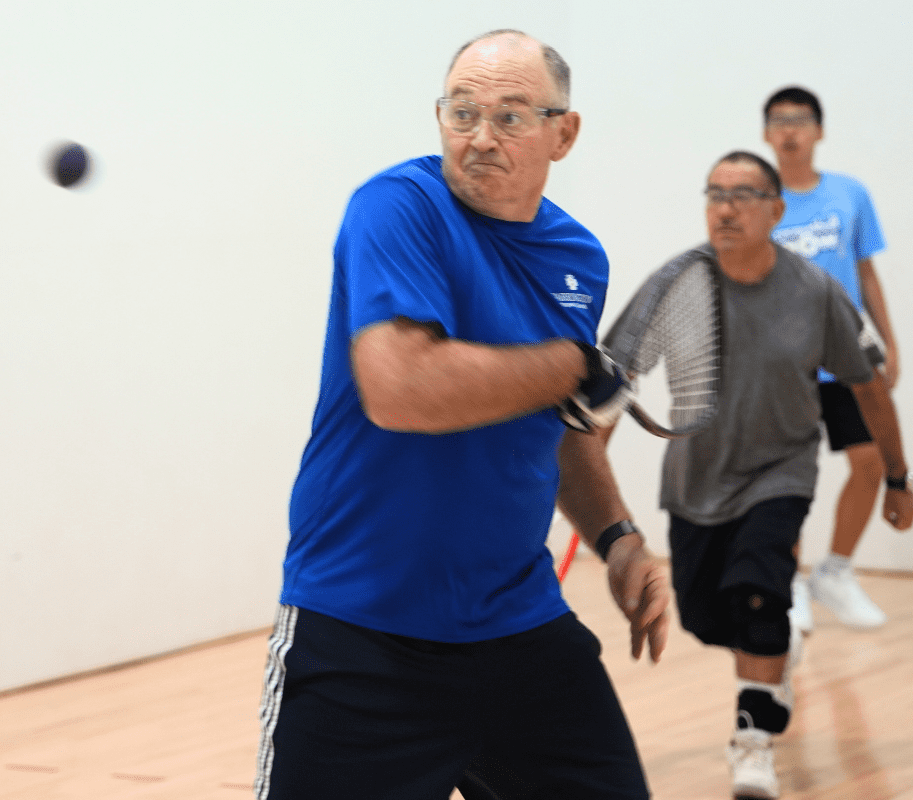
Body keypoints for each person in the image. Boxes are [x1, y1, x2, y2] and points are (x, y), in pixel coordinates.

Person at [254, 30, 670, 800]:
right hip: (364, 636)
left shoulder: (579, 259)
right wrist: (573, 366)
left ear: (563, 134)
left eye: (510, 117)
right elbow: (402, 388)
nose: (480, 138)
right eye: (462, 112)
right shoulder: (397, 208)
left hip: (520, 629)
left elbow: (554, 428)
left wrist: (618, 538)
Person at [604, 152, 913, 799]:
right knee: (705, 618)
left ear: (776, 210)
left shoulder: (814, 291)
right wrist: (578, 476)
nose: (725, 208)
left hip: (781, 473)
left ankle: (753, 744)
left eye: (742, 195)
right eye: (715, 194)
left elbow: (868, 387)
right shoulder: (676, 282)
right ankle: (773, 654)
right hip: (696, 481)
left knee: (759, 592)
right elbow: (612, 381)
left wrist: (896, 475)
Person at [762, 85, 910, 632]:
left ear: (819, 130)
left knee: (870, 463)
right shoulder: (758, 199)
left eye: (800, 119)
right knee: (789, 479)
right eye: (779, 120)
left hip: (846, 358)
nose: (790, 130)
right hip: (785, 364)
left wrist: (889, 343)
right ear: (766, 133)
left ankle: (836, 572)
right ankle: (790, 583)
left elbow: (866, 272)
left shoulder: (850, 194)